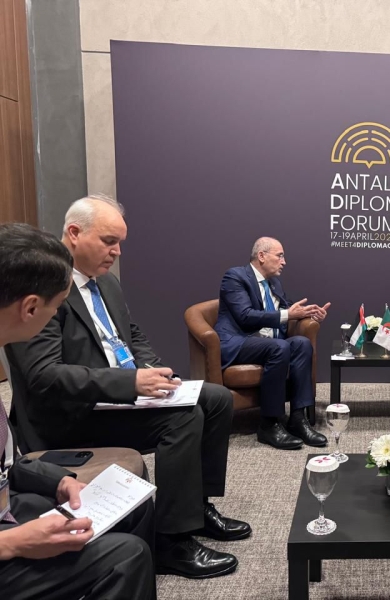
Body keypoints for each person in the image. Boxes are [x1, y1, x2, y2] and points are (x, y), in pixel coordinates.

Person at [5, 195, 250, 579]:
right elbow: (43, 377)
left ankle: (196, 508)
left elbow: (131, 336)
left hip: (120, 397)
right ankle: (172, 541)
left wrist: (154, 371)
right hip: (74, 414)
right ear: (74, 233)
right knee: (182, 419)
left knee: (215, 398)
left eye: (119, 242)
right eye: (108, 241)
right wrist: (129, 382)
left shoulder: (107, 283)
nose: (117, 252)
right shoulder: (45, 289)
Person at [0, 222, 155, 600]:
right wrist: (14, 543)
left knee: (134, 509)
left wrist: (60, 481)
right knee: (126, 556)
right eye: (56, 307)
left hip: (9, 507)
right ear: (31, 307)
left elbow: (7, 466)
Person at [215, 237, 329, 450]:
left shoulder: (274, 283)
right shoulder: (235, 277)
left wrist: (309, 314)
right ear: (261, 256)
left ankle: (298, 419)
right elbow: (245, 316)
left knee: (302, 344)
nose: (284, 262)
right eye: (280, 256)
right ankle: (269, 424)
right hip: (239, 342)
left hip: (268, 344)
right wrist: (288, 314)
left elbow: (288, 310)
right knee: (280, 346)